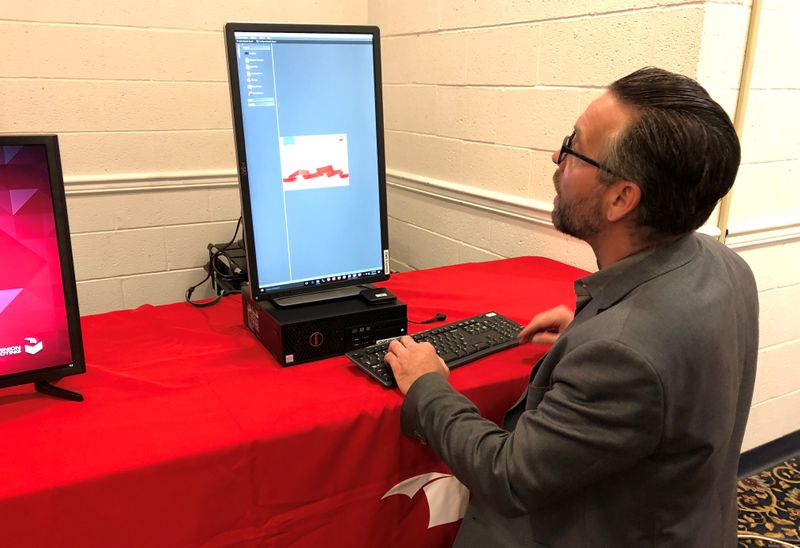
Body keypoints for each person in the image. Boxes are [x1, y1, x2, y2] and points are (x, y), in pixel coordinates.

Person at [384, 66, 759, 547]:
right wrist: (592, 330)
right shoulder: (726, 265)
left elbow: (507, 476)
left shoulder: (624, 354)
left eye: (574, 148)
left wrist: (428, 386)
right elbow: (668, 377)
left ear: (622, 198)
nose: (556, 157)